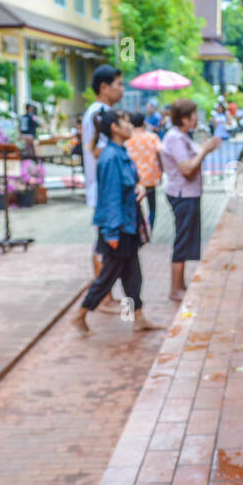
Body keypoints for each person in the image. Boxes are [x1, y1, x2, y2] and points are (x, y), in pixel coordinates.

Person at [72, 109, 161, 334]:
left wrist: (139, 187)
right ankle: (81, 313)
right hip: (118, 227)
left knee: (132, 275)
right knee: (108, 276)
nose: (130, 126)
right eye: (125, 122)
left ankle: (138, 316)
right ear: (115, 128)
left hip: (127, 223)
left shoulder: (120, 153)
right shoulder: (111, 157)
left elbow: (129, 183)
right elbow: (110, 197)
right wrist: (111, 232)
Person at [160, 98, 221, 301]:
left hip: (189, 194)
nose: (196, 119)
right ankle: (175, 288)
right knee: (183, 239)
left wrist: (205, 148)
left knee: (186, 239)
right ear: (184, 118)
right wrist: (205, 150)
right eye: (193, 115)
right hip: (182, 194)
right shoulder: (175, 138)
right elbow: (187, 168)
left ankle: (180, 285)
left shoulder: (182, 137)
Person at [82, 65, 125, 306]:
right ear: (104, 87)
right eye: (118, 84)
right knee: (104, 242)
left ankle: (104, 291)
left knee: (106, 241)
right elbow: (95, 149)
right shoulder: (99, 112)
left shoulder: (100, 110)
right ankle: (102, 294)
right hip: (104, 187)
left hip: (105, 186)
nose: (121, 90)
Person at [125, 112, 163, 232]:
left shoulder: (127, 139)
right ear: (144, 122)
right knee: (152, 208)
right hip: (150, 178)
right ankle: (149, 230)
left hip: (134, 179)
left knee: (135, 206)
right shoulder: (152, 137)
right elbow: (161, 152)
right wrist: (161, 171)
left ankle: (137, 231)